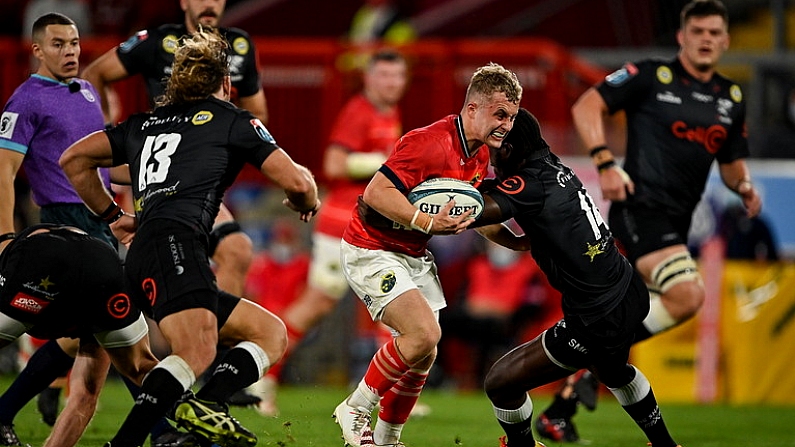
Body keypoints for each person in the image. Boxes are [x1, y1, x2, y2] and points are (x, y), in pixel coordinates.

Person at [60, 28, 319, 447]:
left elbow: (73, 159)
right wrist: (305, 198)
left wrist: (112, 215)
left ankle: (210, 409)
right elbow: (295, 179)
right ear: (226, 83)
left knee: (270, 333)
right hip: (178, 245)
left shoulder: (144, 124)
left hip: (148, 249)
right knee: (196, 351)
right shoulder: (233, 119)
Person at [534, 0, 763, 441]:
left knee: (629, 315)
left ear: (726, 40)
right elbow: (586, 106)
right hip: (639, 211)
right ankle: (595, 365)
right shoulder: (650, 76)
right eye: (697, 31)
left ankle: (565, 402)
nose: (706, 40)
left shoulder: (730, 98)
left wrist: (746, 187)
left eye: (715, 33)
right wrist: (604, 163)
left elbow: (733, 165)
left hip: (673, 223)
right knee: (687, 293)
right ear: (681, 36)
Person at [332, 62, 522, 447]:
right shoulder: (428, 142)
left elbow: (475, 218)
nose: (506, 124)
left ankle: (389, 439)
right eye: (500, 113)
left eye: (512, 117)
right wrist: (425, 221)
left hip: (412, 255)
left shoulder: (480, 156)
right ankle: (354, 408)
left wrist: (519, 242)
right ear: (472, 109)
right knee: (423, 333)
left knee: (425, 350)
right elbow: (376, 193)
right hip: (373, 248)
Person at [474, 107, 681, 447]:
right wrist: (511, 238)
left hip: (596, 316)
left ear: (509, 149)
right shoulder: (552, 164)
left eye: (493, 147)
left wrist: (424, 199)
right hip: (628, 288)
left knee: (500, 382)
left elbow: (475, 210)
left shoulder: (528, 184)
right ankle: (664, 444)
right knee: (613, 371)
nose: (490, 157)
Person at [253, 48, 408, 417]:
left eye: (397, 76)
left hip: (367, 223)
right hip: (342, 222)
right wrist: (386, 163)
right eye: (384, 76)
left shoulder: (389, 112)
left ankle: (394, 391)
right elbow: (333, 164)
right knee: (318, 304)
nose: (391, 83)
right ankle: (260, 376)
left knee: (392, 300)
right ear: (368, 78)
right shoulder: (358, 111)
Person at [82, 0, 267, 298]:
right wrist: (108, 132)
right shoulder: (157, 41)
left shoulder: (239, 45)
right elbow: (94, 73)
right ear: (183, 2)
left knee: (235, 251)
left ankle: (211, 341)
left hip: (199, 179)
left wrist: (228, 148)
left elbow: (258, 114)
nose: (209, 4)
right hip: (155, 179)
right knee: (133, 283)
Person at [0, 12, 122, 446]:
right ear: (36, 50)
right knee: (108, 329)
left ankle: (5, 411)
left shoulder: (87, 91)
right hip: (63, 225)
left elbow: (101, 167)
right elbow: (4, 171)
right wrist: (4, 237)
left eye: (73, 43)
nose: (70, 51)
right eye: (58, 44)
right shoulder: (25, 100)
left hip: (97, 220)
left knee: (90, 335)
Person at [0, 224, 158, 447]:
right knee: (140, 368)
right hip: (103, 260)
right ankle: (190, 421)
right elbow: (85, 396)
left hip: (47, 260)